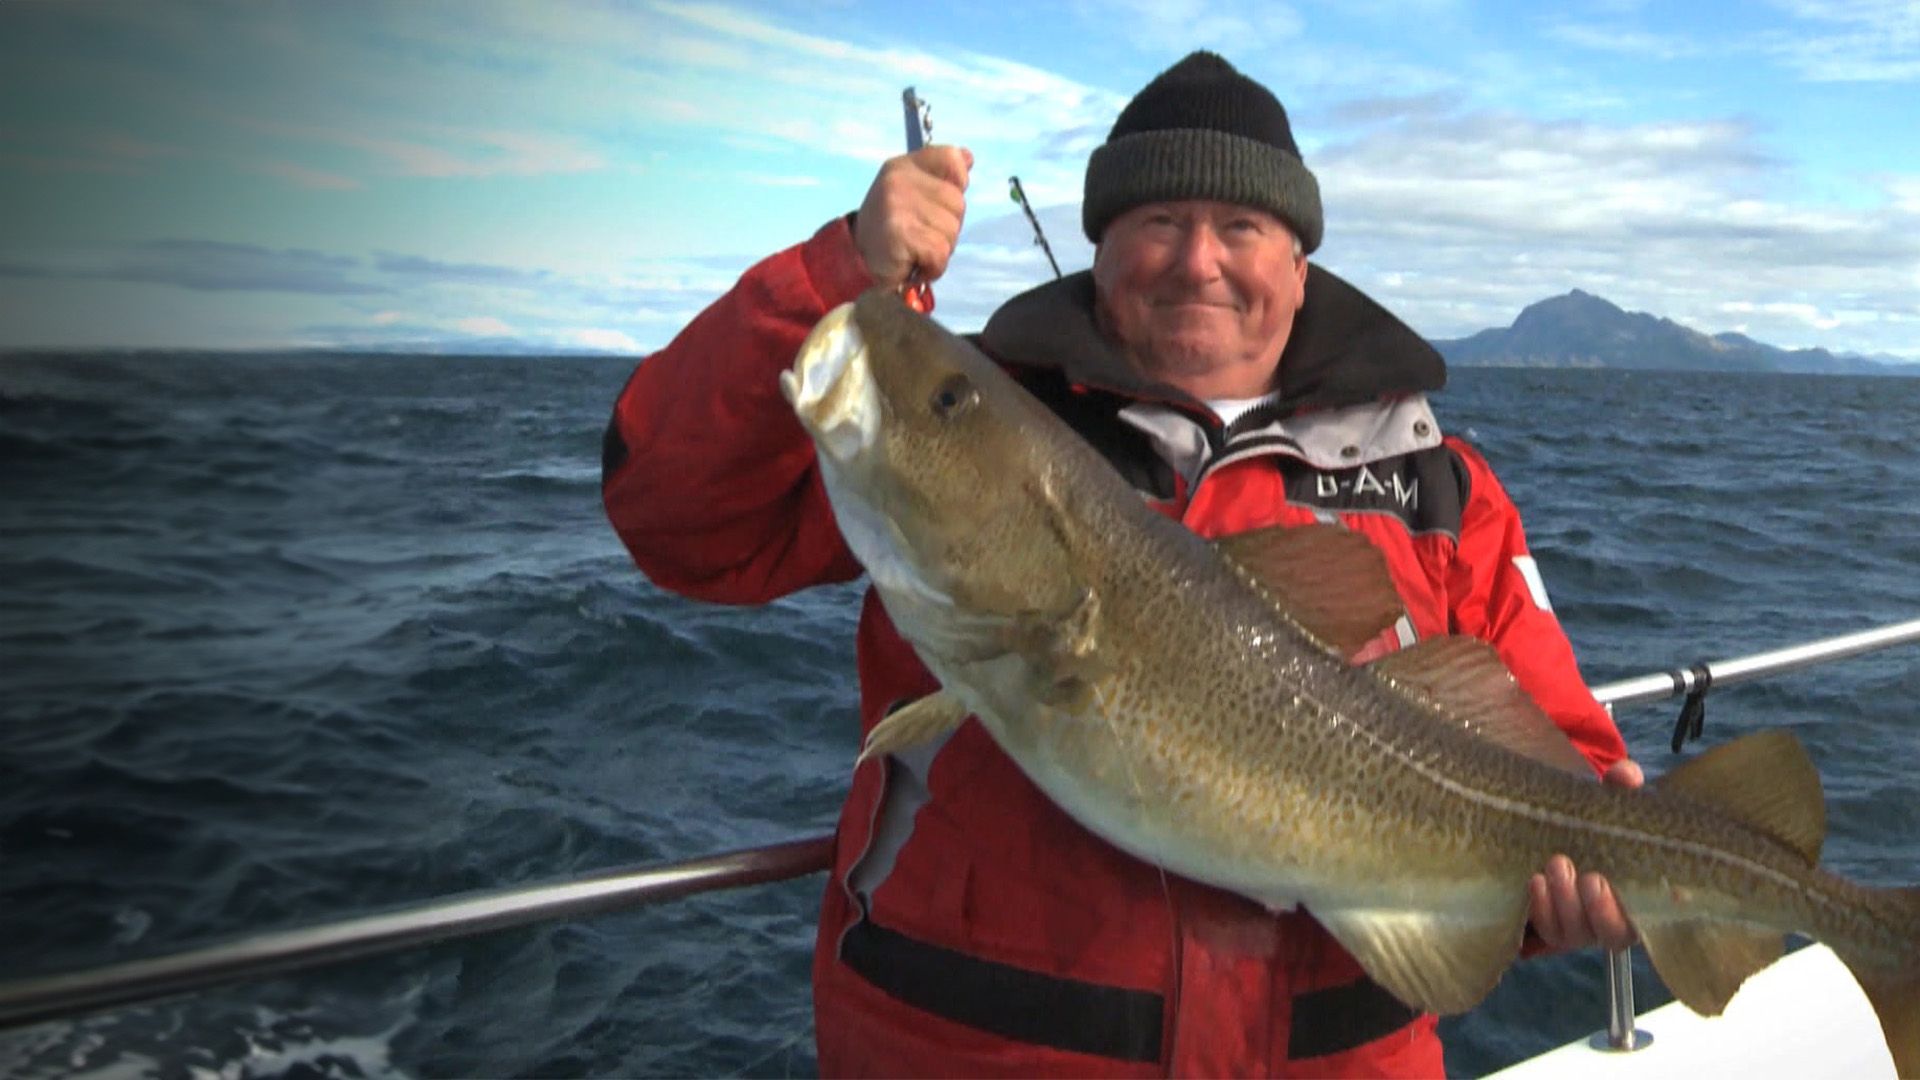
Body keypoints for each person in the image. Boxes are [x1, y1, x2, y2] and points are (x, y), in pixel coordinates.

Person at [605, 50, 1642, 1077]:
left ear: (1298, 260)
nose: (1199, 261)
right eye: (1158, 223)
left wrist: (1568, 891)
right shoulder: (970, 439)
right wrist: (838, 273)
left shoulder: (1439, 487)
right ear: (1101, 251)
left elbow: (1565, 762)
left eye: (1241, 226)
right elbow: (680, 519)